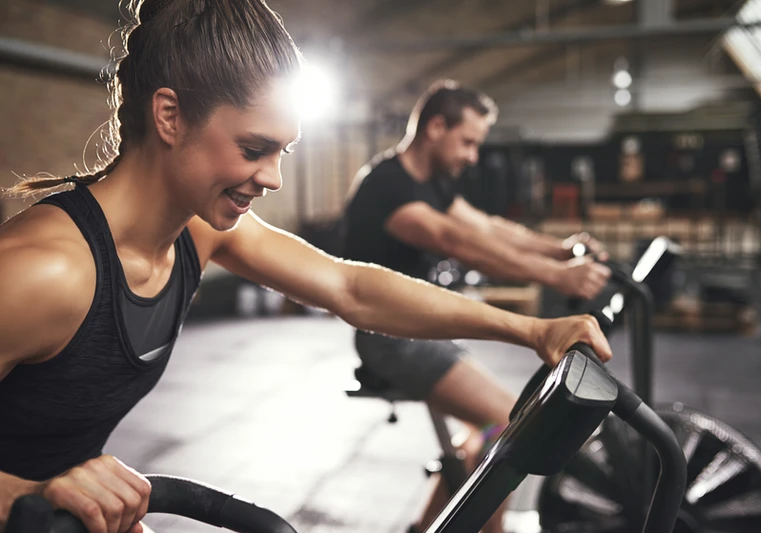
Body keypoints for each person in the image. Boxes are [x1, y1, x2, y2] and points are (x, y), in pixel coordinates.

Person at [0, 3, 612, 533]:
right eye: (253, 149)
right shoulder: (45, 273)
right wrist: (30, 494)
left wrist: (532, 331)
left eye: (282, 152)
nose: (273, 178)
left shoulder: (198, 232)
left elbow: (349, 285)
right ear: (169, 116)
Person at [341, 80, 612, 533]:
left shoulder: (432, 184)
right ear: (435, 126)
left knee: (482, 437)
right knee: (510, 426)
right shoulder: (385, 184)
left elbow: (486, 228)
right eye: (467, 142)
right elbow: (453, 240)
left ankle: (432, 526)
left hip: (423, 334)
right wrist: (555, 277)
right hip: (390, 341)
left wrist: (559, 251)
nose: (471, 156)